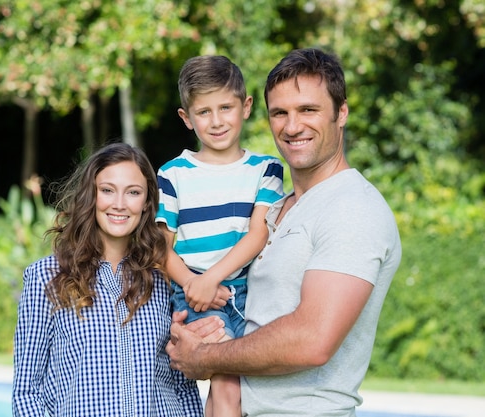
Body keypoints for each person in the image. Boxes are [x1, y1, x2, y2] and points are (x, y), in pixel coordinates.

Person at [166, 48, 402, 417]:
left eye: (308, 110)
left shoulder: (352, 208)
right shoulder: (275, 207)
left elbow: (312, 342)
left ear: (341, 113)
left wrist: (206, 357)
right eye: (280, 113)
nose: (292, 127)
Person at [12, 142, 204, 417]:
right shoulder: (46, 278)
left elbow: (183, 386)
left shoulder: (164, 279)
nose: (119, 204)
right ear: (91, 195)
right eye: (107, 190)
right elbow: (27, 392)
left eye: (133, 192)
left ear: (147, 202)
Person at [156, 55, 284, 417]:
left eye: (225, 107)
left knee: (233, 390)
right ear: (187, 118)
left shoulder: (266, 168)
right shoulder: (173, 173)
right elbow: (161, 248)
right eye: (204, 112)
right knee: (228, 385)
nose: (216, 121)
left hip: (246, 294)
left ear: (245, 107)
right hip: (192, 293)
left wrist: (213, 279)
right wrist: (195, 284)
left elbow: (258, 233)